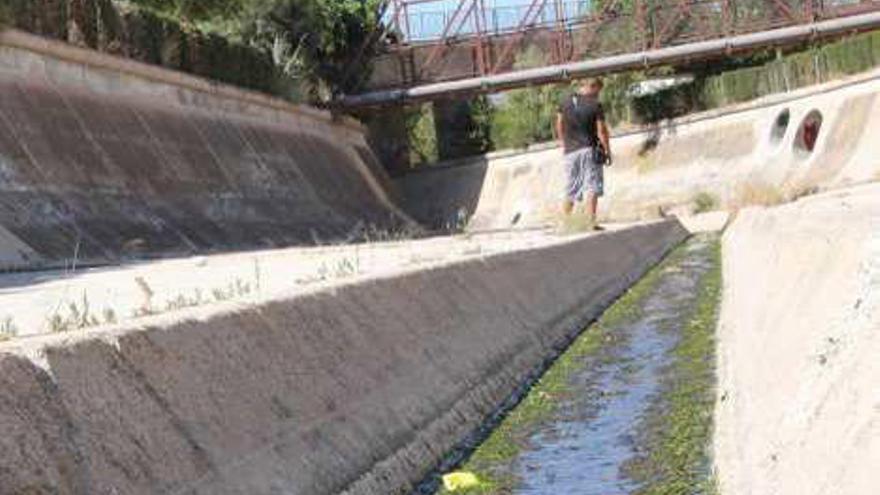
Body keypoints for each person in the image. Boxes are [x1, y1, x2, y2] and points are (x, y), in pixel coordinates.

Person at [555, 77, 612, 230]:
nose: (598, 95)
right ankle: (590, 223)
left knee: (571, 187)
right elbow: (601, 130)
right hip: (589, 149)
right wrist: (607, 150)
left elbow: (559, 123)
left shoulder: (565, 102)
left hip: (570, 152)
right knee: (592, 185)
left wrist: (563, 143)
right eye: (597, 91)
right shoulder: (595, 105)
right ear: (591, 87)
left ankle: (564, 223)